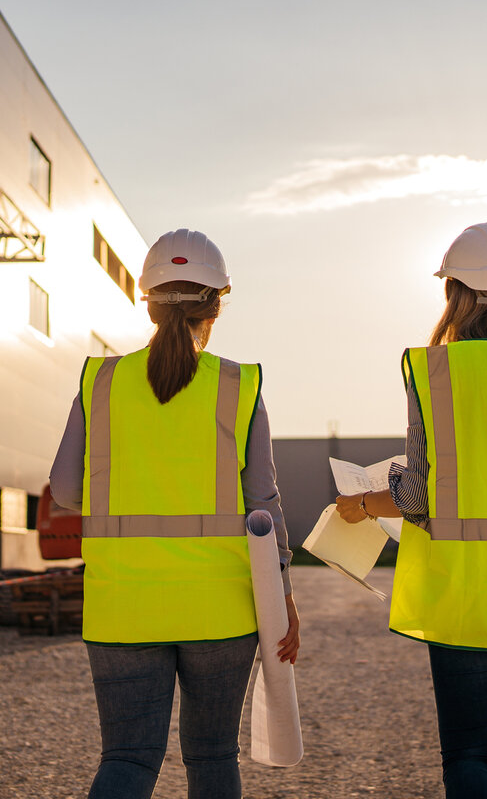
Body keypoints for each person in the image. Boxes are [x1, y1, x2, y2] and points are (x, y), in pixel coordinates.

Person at [50, 228, 299, 799]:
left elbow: (65, 490)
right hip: (220, 609)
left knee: (129, 759)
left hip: (123, 607)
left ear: (148, 301)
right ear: (217, 302)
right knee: (212, 758)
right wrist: (283, 594)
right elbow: (263, 503)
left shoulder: (101, 381)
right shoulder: (239, 385)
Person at [336, 221, 487, 799]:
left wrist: (362, 503)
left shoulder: (434, 371)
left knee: (471, 753)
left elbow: (418, 495)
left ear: (455, 295)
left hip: (466, 591)